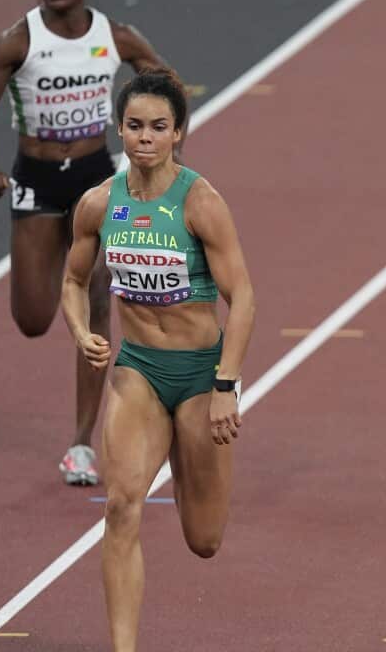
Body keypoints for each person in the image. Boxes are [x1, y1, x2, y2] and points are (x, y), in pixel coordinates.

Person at [0, 0, 174, 485]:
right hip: (34, 182)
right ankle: (62, 270)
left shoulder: (114, 36)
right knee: (33, 319)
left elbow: (165, 85)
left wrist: (159, 152)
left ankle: (82, 444)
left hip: (95, 179)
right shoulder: (17, 41)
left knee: (98, 303)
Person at [60, 68, 253, 652]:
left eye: (158, 127)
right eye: (135, 125)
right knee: (120, 506)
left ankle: (188, 442)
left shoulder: (200, 203)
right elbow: (72, 280)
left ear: (178, 133)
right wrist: (79, 329)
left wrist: (225, 385)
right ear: (120, 128)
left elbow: (242, 297)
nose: (145, 137)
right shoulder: (98, 203)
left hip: (199, 376)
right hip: (137, 369)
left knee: (205, 539)